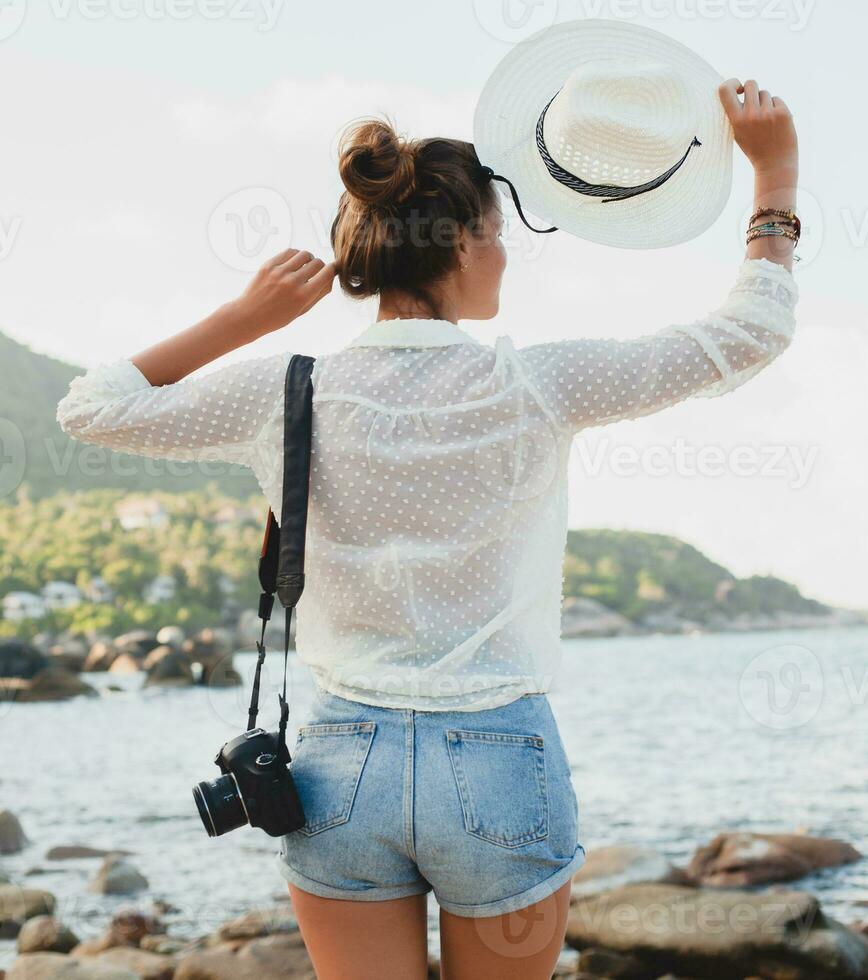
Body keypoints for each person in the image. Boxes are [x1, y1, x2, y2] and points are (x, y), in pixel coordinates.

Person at [58, 58, 798, 980]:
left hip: (338, 768)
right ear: (454, 241)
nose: (502, 253)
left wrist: (245, 317)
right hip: (499, 757)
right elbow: (749, 335)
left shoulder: (287, 391)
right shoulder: (536, 383)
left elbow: (93, 406)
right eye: (496, 233)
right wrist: (774, 178)